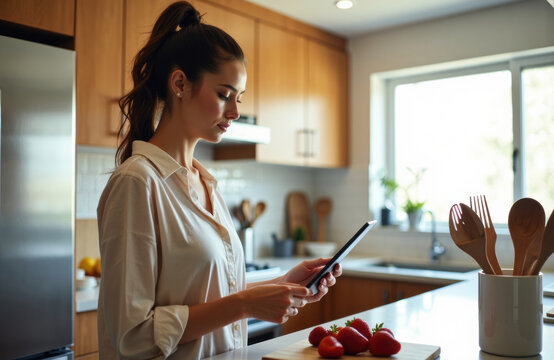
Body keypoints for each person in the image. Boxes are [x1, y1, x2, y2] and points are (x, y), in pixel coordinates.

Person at [96, 1, 341, 359]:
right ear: (179, 83)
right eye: (224, 94)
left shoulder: (206, 182)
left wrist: (285, 284)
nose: (236, 112)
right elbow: (133, 336)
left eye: (238, 98)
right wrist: (245, 304)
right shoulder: (137, 182)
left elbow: (213, 296)